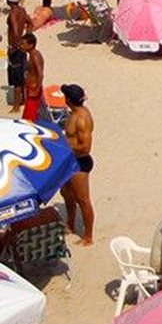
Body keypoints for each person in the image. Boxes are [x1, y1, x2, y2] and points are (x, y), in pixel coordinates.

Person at [58, 84, 94, 246]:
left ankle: (88, 236)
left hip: (79, 162)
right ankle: (70, 225)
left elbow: (86, 148)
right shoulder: (74, 113)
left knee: (83, 200)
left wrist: (65, 148)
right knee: (66, 194)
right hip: (69, 160)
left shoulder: (81, 119)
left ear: (69, 100)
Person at [5, 0, 32, 114]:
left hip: (15, 47)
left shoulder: (13, 14)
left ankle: (16, 106)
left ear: (9, 1)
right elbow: (30, 23)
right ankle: (24, 99)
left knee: (16, 78)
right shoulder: (22, 10)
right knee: (22, 74)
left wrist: (16, 46)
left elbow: (15, 32)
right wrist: (26, 39)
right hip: (22, 47)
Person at [19, 33, 44, 122]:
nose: (21, 46)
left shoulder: (34, 56)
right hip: (32, 88)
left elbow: (40, 74)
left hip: (33, 89)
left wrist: (36, 90)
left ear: (31, 45)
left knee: (29, 118)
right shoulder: (34, 54)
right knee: (31, 115)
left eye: (23, 44)